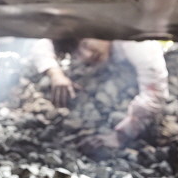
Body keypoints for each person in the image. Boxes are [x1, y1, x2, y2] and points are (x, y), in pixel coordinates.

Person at [33, 37, 169, 149]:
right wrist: (55, 74)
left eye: (86, 44)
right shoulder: (98, 45)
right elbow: (41, 44)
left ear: (98, 29)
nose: (86, 55)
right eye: (78, 53)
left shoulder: (137, 44)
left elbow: (155, 96)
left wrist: (122, 135)